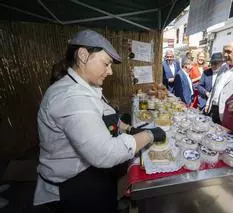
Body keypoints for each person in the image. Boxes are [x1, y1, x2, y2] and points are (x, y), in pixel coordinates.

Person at [33, 29, 166, 213]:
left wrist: (128, 129)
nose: (110, 71)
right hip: (73, 185)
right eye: (106, 63)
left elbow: (104, 114)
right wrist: (149, 135)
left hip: (89, 172)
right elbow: (106, 153)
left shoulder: (84, 87)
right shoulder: (71, 97)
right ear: (83, 55)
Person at [205, 40, 233, 123]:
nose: (225, 55)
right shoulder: (223, 67)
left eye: (229, 52)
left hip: (228, 114)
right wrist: (209, 103)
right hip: (214, 110)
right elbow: (215, 87)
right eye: (224, 52)